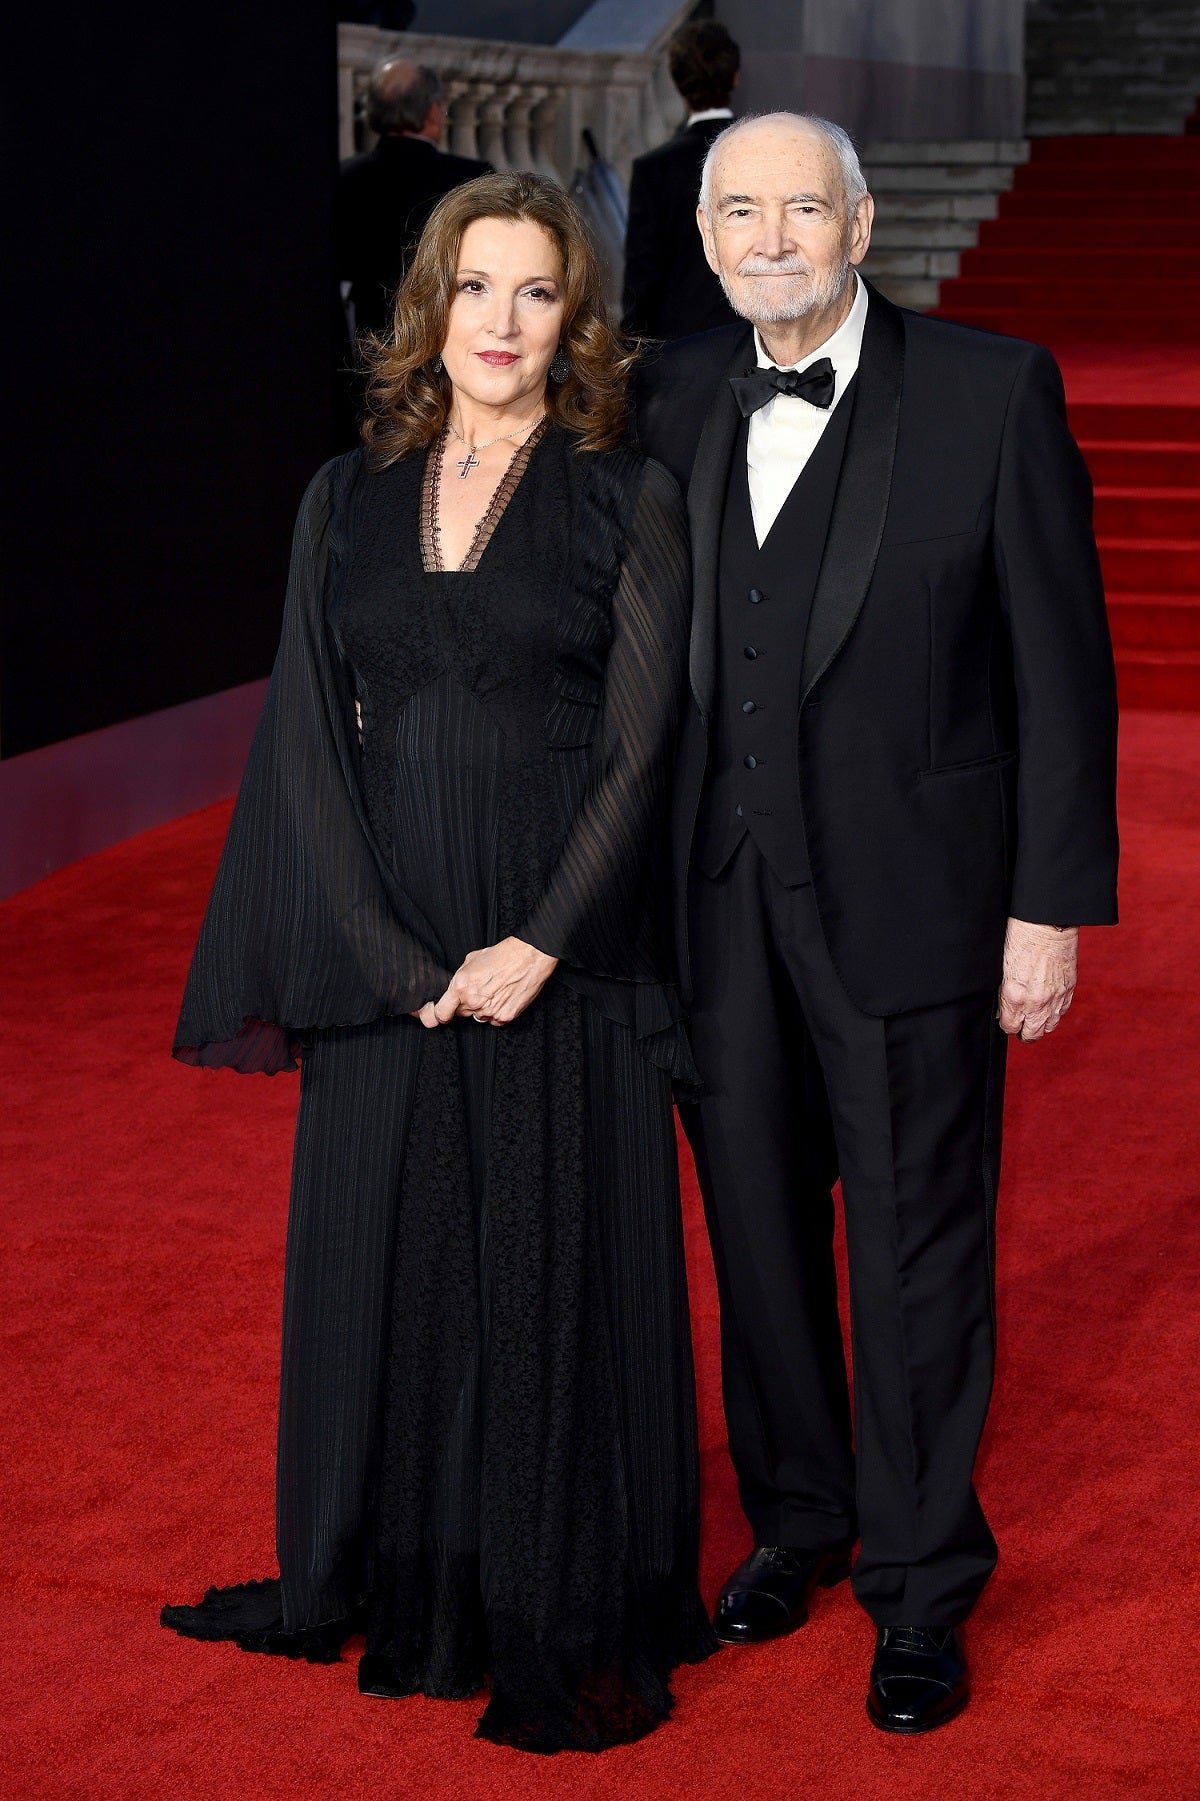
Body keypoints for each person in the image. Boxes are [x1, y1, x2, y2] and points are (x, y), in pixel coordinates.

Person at [162, 171, 716, 1754]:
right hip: (388, 943)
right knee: (387, 1265)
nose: (503, 323)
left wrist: (545, 936)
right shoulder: (341, 495)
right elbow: (300, 750)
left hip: (564, 942)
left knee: (547, 1266)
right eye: (477, 289)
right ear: (432, 305)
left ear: (577, 318)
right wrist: (383, 951)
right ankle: (390, 1565)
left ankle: (551, 1584)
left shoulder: (628, 495)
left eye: (538, 294)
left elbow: (642, 743)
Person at [634, 113, 1118, 1735]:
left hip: (919, 904)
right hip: (715, 908)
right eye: (739, 209)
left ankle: (921, 1584)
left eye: (803, 206)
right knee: (760, 1247)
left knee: (919, 1257)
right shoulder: (672, 392)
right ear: (706, 239)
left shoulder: (994, 391)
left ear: (860, 222)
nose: (771, 235)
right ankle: (801, 1521)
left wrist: (1049, 905)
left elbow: (1063, 673)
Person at [338, 58, 491, 343]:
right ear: (434, 111)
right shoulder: (473, 179)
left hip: (369, 345)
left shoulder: (344, 177)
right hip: (446, 339)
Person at [621, 21, 740, 341]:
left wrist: (631, 353)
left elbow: (642, 276)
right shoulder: (762, 155)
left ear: (676, 83)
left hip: (678, 347)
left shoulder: (655, 168)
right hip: (754, 338)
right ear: (734, 77)